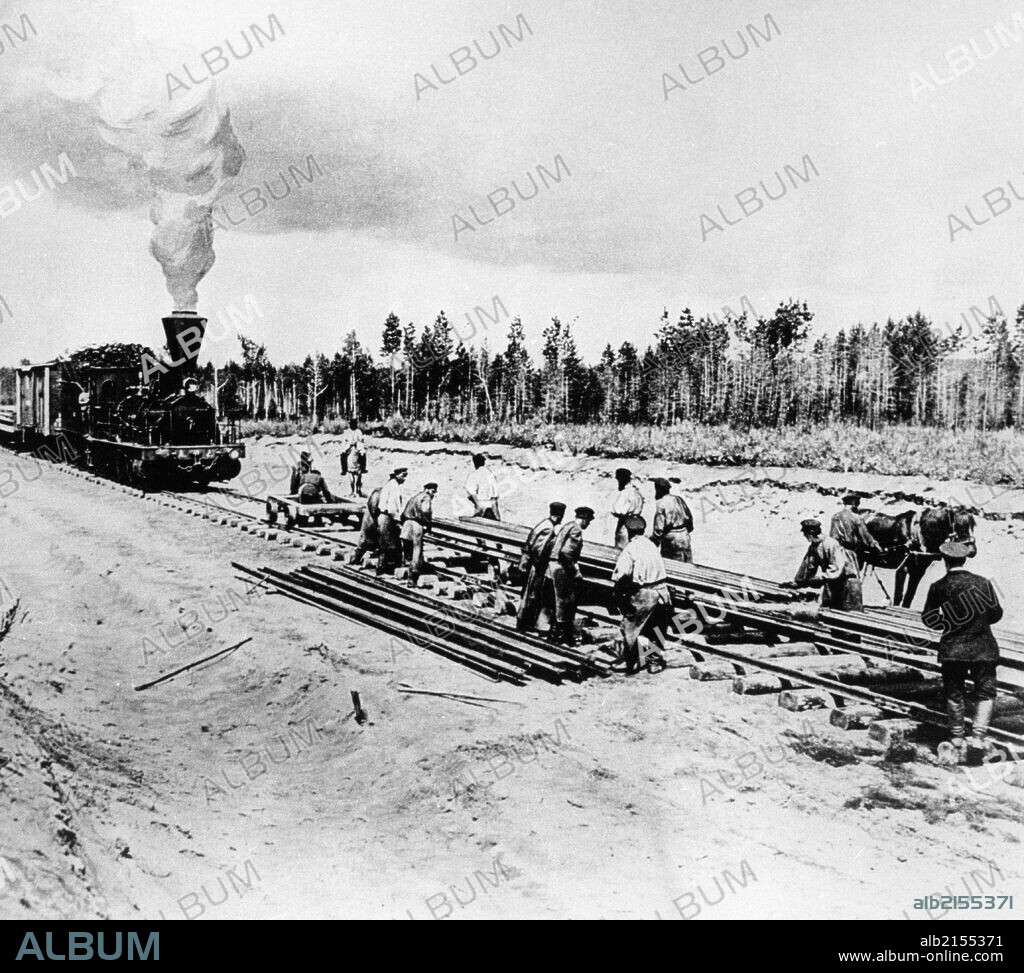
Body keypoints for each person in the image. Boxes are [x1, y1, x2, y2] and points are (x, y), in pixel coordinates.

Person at [922, 541, 1003, 763]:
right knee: (986, 693)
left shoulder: (938, 586)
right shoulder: (983, 583)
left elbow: (928, 618)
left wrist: (948, 625)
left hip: (953, 649)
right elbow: (996, 615)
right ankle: (978, 738)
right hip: (983, 648)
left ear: (945, 561)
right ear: (965, 559)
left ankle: (956, 740)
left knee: (954, 692)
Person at [611, 516, 671, 674]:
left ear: (629, 531)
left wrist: (621, 601)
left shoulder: (630, 549)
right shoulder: (651, 545)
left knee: (629, 628)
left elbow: (622, 578)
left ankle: (631, 662)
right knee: (655, 630)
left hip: (645, 594)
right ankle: (654, 663)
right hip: (662, 593)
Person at [545, 506, 594, 646]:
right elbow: (566, 553)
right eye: (588, 521)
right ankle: (558, 636)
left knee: (557, 604)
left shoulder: (567, 526)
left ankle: (555, 634)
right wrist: (575, 572)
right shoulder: (576, 530)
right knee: (565, 604)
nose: (588, 524)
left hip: (552, 567)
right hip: (561, 569)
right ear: (584, 519)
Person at [791, 519, 863, 612]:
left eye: (805, 534)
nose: (804, 536)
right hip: (832, 582)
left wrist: (821, 578)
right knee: (830, 610)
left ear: (811, 534)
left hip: (848, 582)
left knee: (850, 614)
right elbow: (808, 565)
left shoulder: (830, 544)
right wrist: (799, 581)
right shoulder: (814, 546)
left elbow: (836, 567)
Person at [516, 501, 566, 633]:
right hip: (536, 566)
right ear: (560, 516)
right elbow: (539, 550)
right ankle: (524, 623)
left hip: (532, 563)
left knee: (529, 594)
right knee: (531, 594)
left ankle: (524, 622)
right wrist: (543, 563)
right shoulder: (548, 528)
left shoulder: (544, 523)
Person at [830, 493, 881, 569]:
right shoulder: (856, 517)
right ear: (854, 504)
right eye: (857, 503)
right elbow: (865, 536)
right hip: (851, 552)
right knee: (853, 575)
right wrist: (876, 545)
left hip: (836, 552)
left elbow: (832, 535)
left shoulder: (835, 516)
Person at [400, 482, 437, 585]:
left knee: (408, 551)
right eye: (433, 491)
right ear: (427, 490)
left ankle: (407, 572)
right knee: (417, 550)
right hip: (416, 525)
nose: (433, 494)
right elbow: (426, 511)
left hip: (406, 525)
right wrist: (428, 525)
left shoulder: (414, 497)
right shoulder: (426, 497)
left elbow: (403, 513)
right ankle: (413, 578)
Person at [650, 478, 694, 563]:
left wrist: (654, 542)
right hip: (684, 535)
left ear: (658, 489)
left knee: (672, 565)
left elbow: (659, 528)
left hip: (671, 538)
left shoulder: (661, 503)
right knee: (687, 562)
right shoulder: (679, 499)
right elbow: (689, 519)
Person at [376, 468, 408, 576]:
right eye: (403, 475)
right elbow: (392, 507)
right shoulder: (394, 487)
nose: (404, 478)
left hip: (383, 516)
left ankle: (383, 568)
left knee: (385, 543)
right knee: (390, 544)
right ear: (397, 475)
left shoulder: (390, 484)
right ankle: (385, 569)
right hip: (388, 517)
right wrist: (397, 521)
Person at [611, 467, 644, 551]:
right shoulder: (637, 493)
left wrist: (613, 511)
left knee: (622, 550)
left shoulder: (626, 493)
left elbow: (618, 510)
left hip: (625, 525)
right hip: (637, 525)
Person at [350, 485, 383, 566]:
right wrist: (376, 519)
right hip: (371, 519)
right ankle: (354, 560)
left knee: (371, 542)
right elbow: (373, 505)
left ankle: (357, 560)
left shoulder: (381, 491)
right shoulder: (379, 492)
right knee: (364, 541)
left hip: (374, 519)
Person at [465, 453, 501, 520]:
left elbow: (470, 494)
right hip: (492, 506)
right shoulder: (490, 474)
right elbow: (495, 493)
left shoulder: (474, 475)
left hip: (481, 506)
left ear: (475, 463)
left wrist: (477, 503)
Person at [340, 419, 367, 497]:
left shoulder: (358, 432)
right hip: (349, 447)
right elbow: (344, 441)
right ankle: (344, 469)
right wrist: (348, 444)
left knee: (363, 454)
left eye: (354, 424)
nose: (353, 425)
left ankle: (363, 468)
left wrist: (357, 443)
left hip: (357, 447)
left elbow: (361, 440)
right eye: (352, 424)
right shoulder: (347, 432)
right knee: (342, 455)